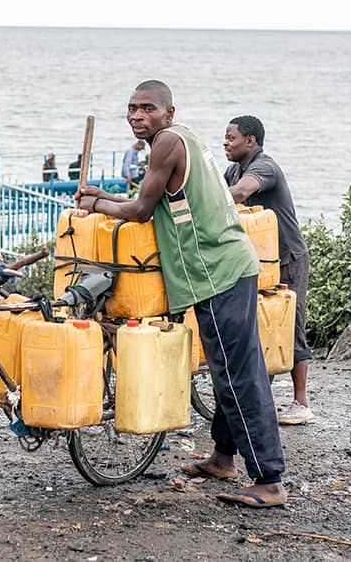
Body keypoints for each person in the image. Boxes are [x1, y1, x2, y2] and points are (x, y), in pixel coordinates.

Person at [76, 80, 287, 508]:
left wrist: (96, 205)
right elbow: (147, 201)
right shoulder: (182, 137)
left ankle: (269, 480)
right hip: (229, 267)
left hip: (219, 273)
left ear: (168, 113)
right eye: (132, 108)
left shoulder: (165, 143)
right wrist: (103, 196)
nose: (137, 115)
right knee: (228, 366)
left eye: (147, 108)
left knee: (237, 374)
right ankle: (223, 458)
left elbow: (138, 212)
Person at [223, 115, 313, 425]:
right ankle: (259, 397)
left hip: (288, 258)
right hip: (259, 260)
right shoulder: (233, 169)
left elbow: (238, 194)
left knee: (290, 324)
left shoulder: (265, 167)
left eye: (231, 138)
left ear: (251, 141)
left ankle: (301, 403)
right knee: (261, 323)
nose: (225, 143)